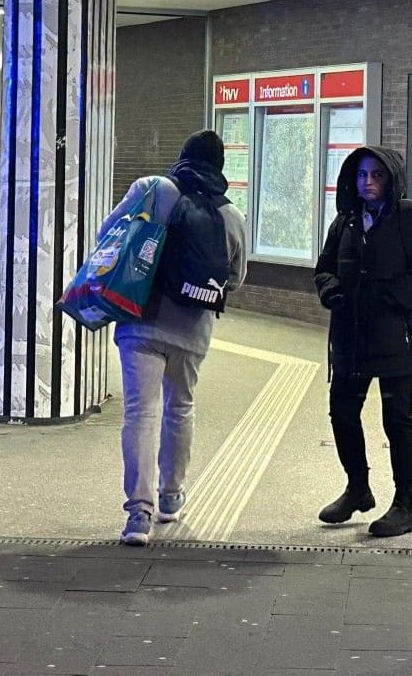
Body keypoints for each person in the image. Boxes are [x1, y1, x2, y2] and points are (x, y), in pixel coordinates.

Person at [104, 130, 247, 547]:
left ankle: (138, 515)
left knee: (140, 414)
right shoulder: (231, 214)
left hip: (141, 320)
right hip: (192, 330)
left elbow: (108, 234)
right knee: (180, 407)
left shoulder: (151, 189)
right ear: (220, 167)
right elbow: (234, 279)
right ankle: (170, 496)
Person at [313, 147, 412, 539]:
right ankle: (358, 487)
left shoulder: (408, 217)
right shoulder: (346, 221)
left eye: (376, 175)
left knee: (397, 420)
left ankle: (405, 506)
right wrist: (331, 290)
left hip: (397, 339)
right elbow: (324, 268)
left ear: (391, 179)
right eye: (361, 175)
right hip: (352, 337)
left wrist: (392, 298)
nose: (368, 183)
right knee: (342, 411)